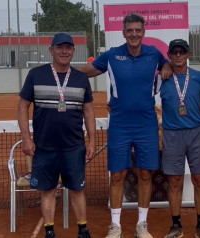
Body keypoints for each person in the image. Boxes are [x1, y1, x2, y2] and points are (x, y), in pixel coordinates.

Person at [77, 14, 172, 238]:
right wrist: (64, 69)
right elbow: (89, 72)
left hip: (147, 124)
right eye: (130, 30)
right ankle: (115, 226)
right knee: (118, 175)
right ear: (123, 33)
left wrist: (166, 66)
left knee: (145, 174)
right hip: (119, 124)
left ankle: (142, 224)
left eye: (138, 30)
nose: (134, 34)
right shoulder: (112, 55)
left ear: (144, 32)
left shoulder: (153, 54)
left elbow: (168, 63)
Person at [17, 33, 96, 238]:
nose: (64, 51)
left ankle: (83, 229)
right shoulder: (36, 74)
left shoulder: (81, 78)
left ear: (73, 51)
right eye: (59, 47)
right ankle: (49, 231)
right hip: (44, 147)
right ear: (51, 50)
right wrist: (26, 138)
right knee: (48, 190)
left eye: (68, 48)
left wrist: (92, 141)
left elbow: (88, 111)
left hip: (74, 146)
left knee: (77, 190)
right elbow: (23, 106)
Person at [158, 39, 200, 238]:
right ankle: (176, 225)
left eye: (181, 52)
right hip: (172, 135)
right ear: (169, 55)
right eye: (173, 52)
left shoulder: (199, 77)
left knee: (199, 179)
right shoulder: (162, 78)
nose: (178, 55)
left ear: (188, 54)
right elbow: (140, 95)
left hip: (196, 133)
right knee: (174, 181)